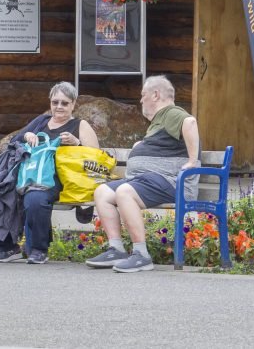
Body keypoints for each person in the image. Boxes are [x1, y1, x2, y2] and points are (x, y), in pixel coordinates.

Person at [86, 75, 200, 272]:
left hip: (171, 182)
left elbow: (190, 122)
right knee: (102, 192)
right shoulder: (159, 121)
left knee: (124, 192)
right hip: (148, 180)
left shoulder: (171, 112)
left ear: (155, 95)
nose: (140, 100)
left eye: (143, 95)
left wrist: (192, 160)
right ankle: (116, 249)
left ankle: (141, 254)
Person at [0, 81, 99, 265]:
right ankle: (8, 246)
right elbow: (14, 141)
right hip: (30, 174)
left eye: (64, 103)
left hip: (60, 179)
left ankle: (39, 249)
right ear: (50, 102)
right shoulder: (41, 122)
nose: (59, 107)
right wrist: (26, 136)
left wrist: (77, 143)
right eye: (55, 102)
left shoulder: (80, 125)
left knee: (35, 199)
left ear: (73, 104)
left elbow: (96, 158)